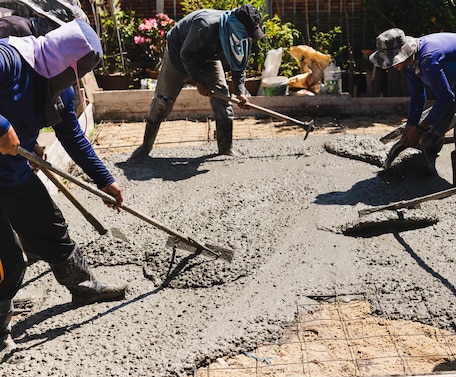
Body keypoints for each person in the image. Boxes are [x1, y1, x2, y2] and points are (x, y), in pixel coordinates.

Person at [0, 19, 128, 354]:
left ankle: (82, 286)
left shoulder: (58, 86)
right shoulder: (9, 60)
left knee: (51, 226)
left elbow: (71, 135)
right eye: (76, 71)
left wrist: (105, 180)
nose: (73, 80)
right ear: (64, 61)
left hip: (12, 172)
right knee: (9, 260)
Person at [130, 4, 264, 159]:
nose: (247, 36)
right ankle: (145, 147)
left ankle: (226, 148)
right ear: (236, 24)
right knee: (163, 100)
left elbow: (239, 64)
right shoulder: (206, 25)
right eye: (246, 31)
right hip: (179, 54)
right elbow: (186, 54)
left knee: (222, 96)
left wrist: (240, 92)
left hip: (207, 58)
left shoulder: (241, 35)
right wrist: (199, 81)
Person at [370, 29, 456, 186]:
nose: (393, 66)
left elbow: (446, 98)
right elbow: (418, 96)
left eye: (393, 61)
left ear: (404, 52)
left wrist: (420, 129)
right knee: (437, 118)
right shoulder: (410, 63)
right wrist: (410, 127)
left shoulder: (428, 58)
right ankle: (426, 167)